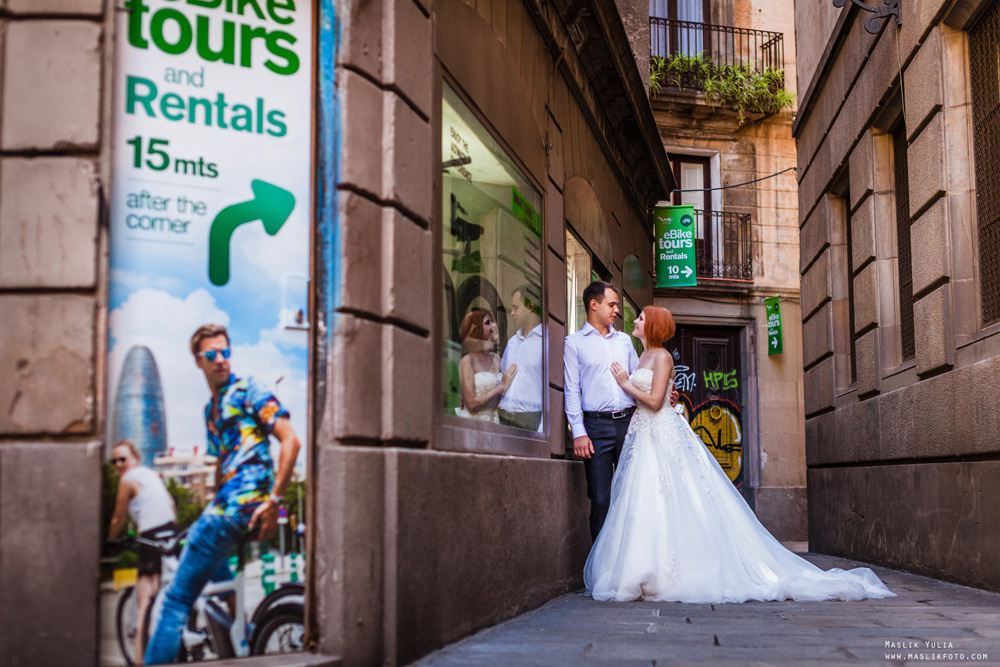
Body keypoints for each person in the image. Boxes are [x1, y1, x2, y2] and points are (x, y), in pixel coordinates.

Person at [584, 305, 895, 603]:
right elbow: (661, 394)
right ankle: (643, 567)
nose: (634, 320)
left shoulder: (662, 356)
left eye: (640, 317)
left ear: (651, 325)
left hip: (660, 432)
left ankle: (668, 571)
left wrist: (625, 384)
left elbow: (654, 402)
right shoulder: (643, 355)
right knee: (645, 501)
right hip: (645, 436)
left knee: (671, 496)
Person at [144, 324, 301, 664]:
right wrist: (207, 506)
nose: (221, 360)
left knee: (174, 601)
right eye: (211, 355)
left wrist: (274, 501)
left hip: (240, 508)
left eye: (225, 353)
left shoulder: (249, 390)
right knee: (212, 567)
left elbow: (291, 441)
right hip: (224, 508)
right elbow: (220, 464)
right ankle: (236, 639)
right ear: (198, 362)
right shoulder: (209, 411)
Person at [563, 281, 640, 540]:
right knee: (600, 499)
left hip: (630, 423)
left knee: (634, 495)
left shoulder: (625, 341)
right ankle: (600, 570)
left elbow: (638, 378)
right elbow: (572, 390)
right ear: (593, 305)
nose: (617, 310)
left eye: (616, 305)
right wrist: (578, 432)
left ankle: (631, 562)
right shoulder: (574, 343)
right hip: (596, 427)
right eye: (612, 304)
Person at [108, 439, 177, 665]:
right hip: (171, 535)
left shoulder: (128, 479)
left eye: (123, 459)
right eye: (114, 461)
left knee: (143, 610)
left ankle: (140, 662)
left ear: (135, 458)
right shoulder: (151, 475)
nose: (118, 464)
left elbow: (118, 517)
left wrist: (109, 541)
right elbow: (171, 504)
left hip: (151, 540)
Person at [455, 309, 516, 423]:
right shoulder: (467, 361)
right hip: (474, 424)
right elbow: (471, 405)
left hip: (494, 422)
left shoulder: (497, 359)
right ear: (476, 331)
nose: (494, 325)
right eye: (488, 323)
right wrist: (501, 386)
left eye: (492, 321)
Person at [498, 284, 544, 431]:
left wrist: (543, 428)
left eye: (515, 307)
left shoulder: (546, 343)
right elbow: (503, 375)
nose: (511, 312)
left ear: (530, 306)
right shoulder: (512, 342)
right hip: (503, 418)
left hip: (530, 422)